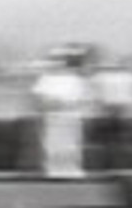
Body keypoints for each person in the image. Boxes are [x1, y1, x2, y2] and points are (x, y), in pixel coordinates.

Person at [29, 46, 94, 180]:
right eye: (55, 60)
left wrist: (63, 103)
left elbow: (82, 99)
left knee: (71, 145)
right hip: (53, 117)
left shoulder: (75, 79)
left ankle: (71, 170)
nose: (58, 64)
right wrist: (51, 103)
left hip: (71, 117)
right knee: (52, 145)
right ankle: (53, 170)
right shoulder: (45, 79)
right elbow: (39, 98)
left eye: (61, 60)